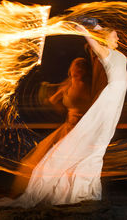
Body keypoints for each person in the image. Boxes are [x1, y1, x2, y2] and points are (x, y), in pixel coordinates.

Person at [0, 19, 127, 208]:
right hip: (108, 101)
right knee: (95, 143)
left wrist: (94, 26)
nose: (118, 37)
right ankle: (79, 191)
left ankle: (83, 189)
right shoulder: (106, 53)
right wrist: (82, 30)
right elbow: (95, 43)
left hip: (115, 100)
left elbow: (100, 37)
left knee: (98, 144)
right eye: (115, 35)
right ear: (106, 39)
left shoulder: (117, 53)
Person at [10, 57, 93, 197]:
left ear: (85, 70)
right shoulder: (68, 84)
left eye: (81, 66)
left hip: (82, 130)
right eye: (75, 65)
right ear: (71, 69)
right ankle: (47, 193)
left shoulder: (90, 84)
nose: (77, 68)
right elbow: (53, 99)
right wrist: (53, 99)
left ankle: (70, 194)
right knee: (45, 161)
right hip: (69, 127)